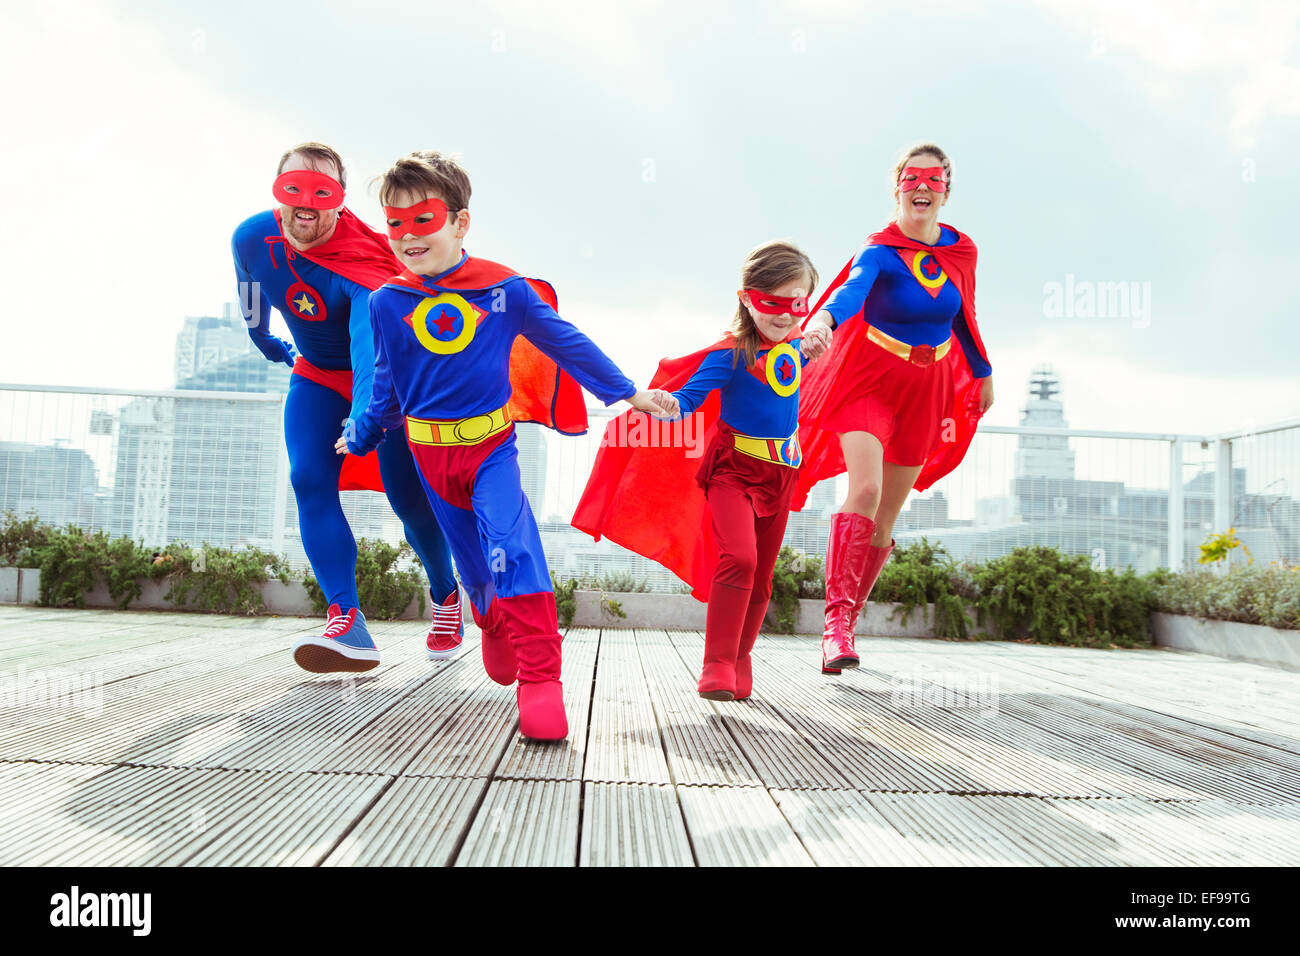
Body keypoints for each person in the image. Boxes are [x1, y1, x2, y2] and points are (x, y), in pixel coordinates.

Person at [342, 150, 672, 740]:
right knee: (475, 566)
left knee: (514, 548)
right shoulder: (386, 301)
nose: (408, 236)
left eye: (424, 219)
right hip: (428, 456)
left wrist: (628, 394)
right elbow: (389, 384)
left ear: (459, 223)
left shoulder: (505, 290)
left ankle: (542, 679)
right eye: (394, 223)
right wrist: (362, 432)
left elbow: (567, 342)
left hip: (492, 449)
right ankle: (491, 619)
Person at [232, 142, 464, 673]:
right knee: (309, 478)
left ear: (340, 203)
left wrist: (366, 413)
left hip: (389, 384)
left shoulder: (363, 262)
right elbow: (248, 282)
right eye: (294, 189)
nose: (306, 204)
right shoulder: (252, 236)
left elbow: (368, 350)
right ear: (278, 192)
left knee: (410, 504)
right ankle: (346, 620)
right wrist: (260, 336)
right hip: (314, 374)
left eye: (323, 192)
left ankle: (446, 596)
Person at [573, 241, 819, 701]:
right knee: (740, 558)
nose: (785, 314)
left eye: (798, 303)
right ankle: (718, 663)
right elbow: (689, 398)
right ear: (747, 298)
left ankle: (741, 658)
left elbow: (834, 323)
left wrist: (819, 336)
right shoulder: (730, 355)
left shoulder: (798, 348)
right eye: (773, 302)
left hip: (783, 473)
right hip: (734, 471)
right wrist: (669, 404)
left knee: (762, 576)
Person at [797, 143, 995, 674]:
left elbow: (964, 316)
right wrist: (821, 323)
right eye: (911, 179)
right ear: (898, 188)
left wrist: (982, 370)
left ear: (947, 190)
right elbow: (849, 293)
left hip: (926, 388)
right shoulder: (879, 251)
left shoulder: (961, 251)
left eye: (933, 179)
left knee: (885, 518)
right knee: (864, 490)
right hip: (869, 380)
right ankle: (834, 625)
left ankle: (850, 620)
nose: (922, 188)